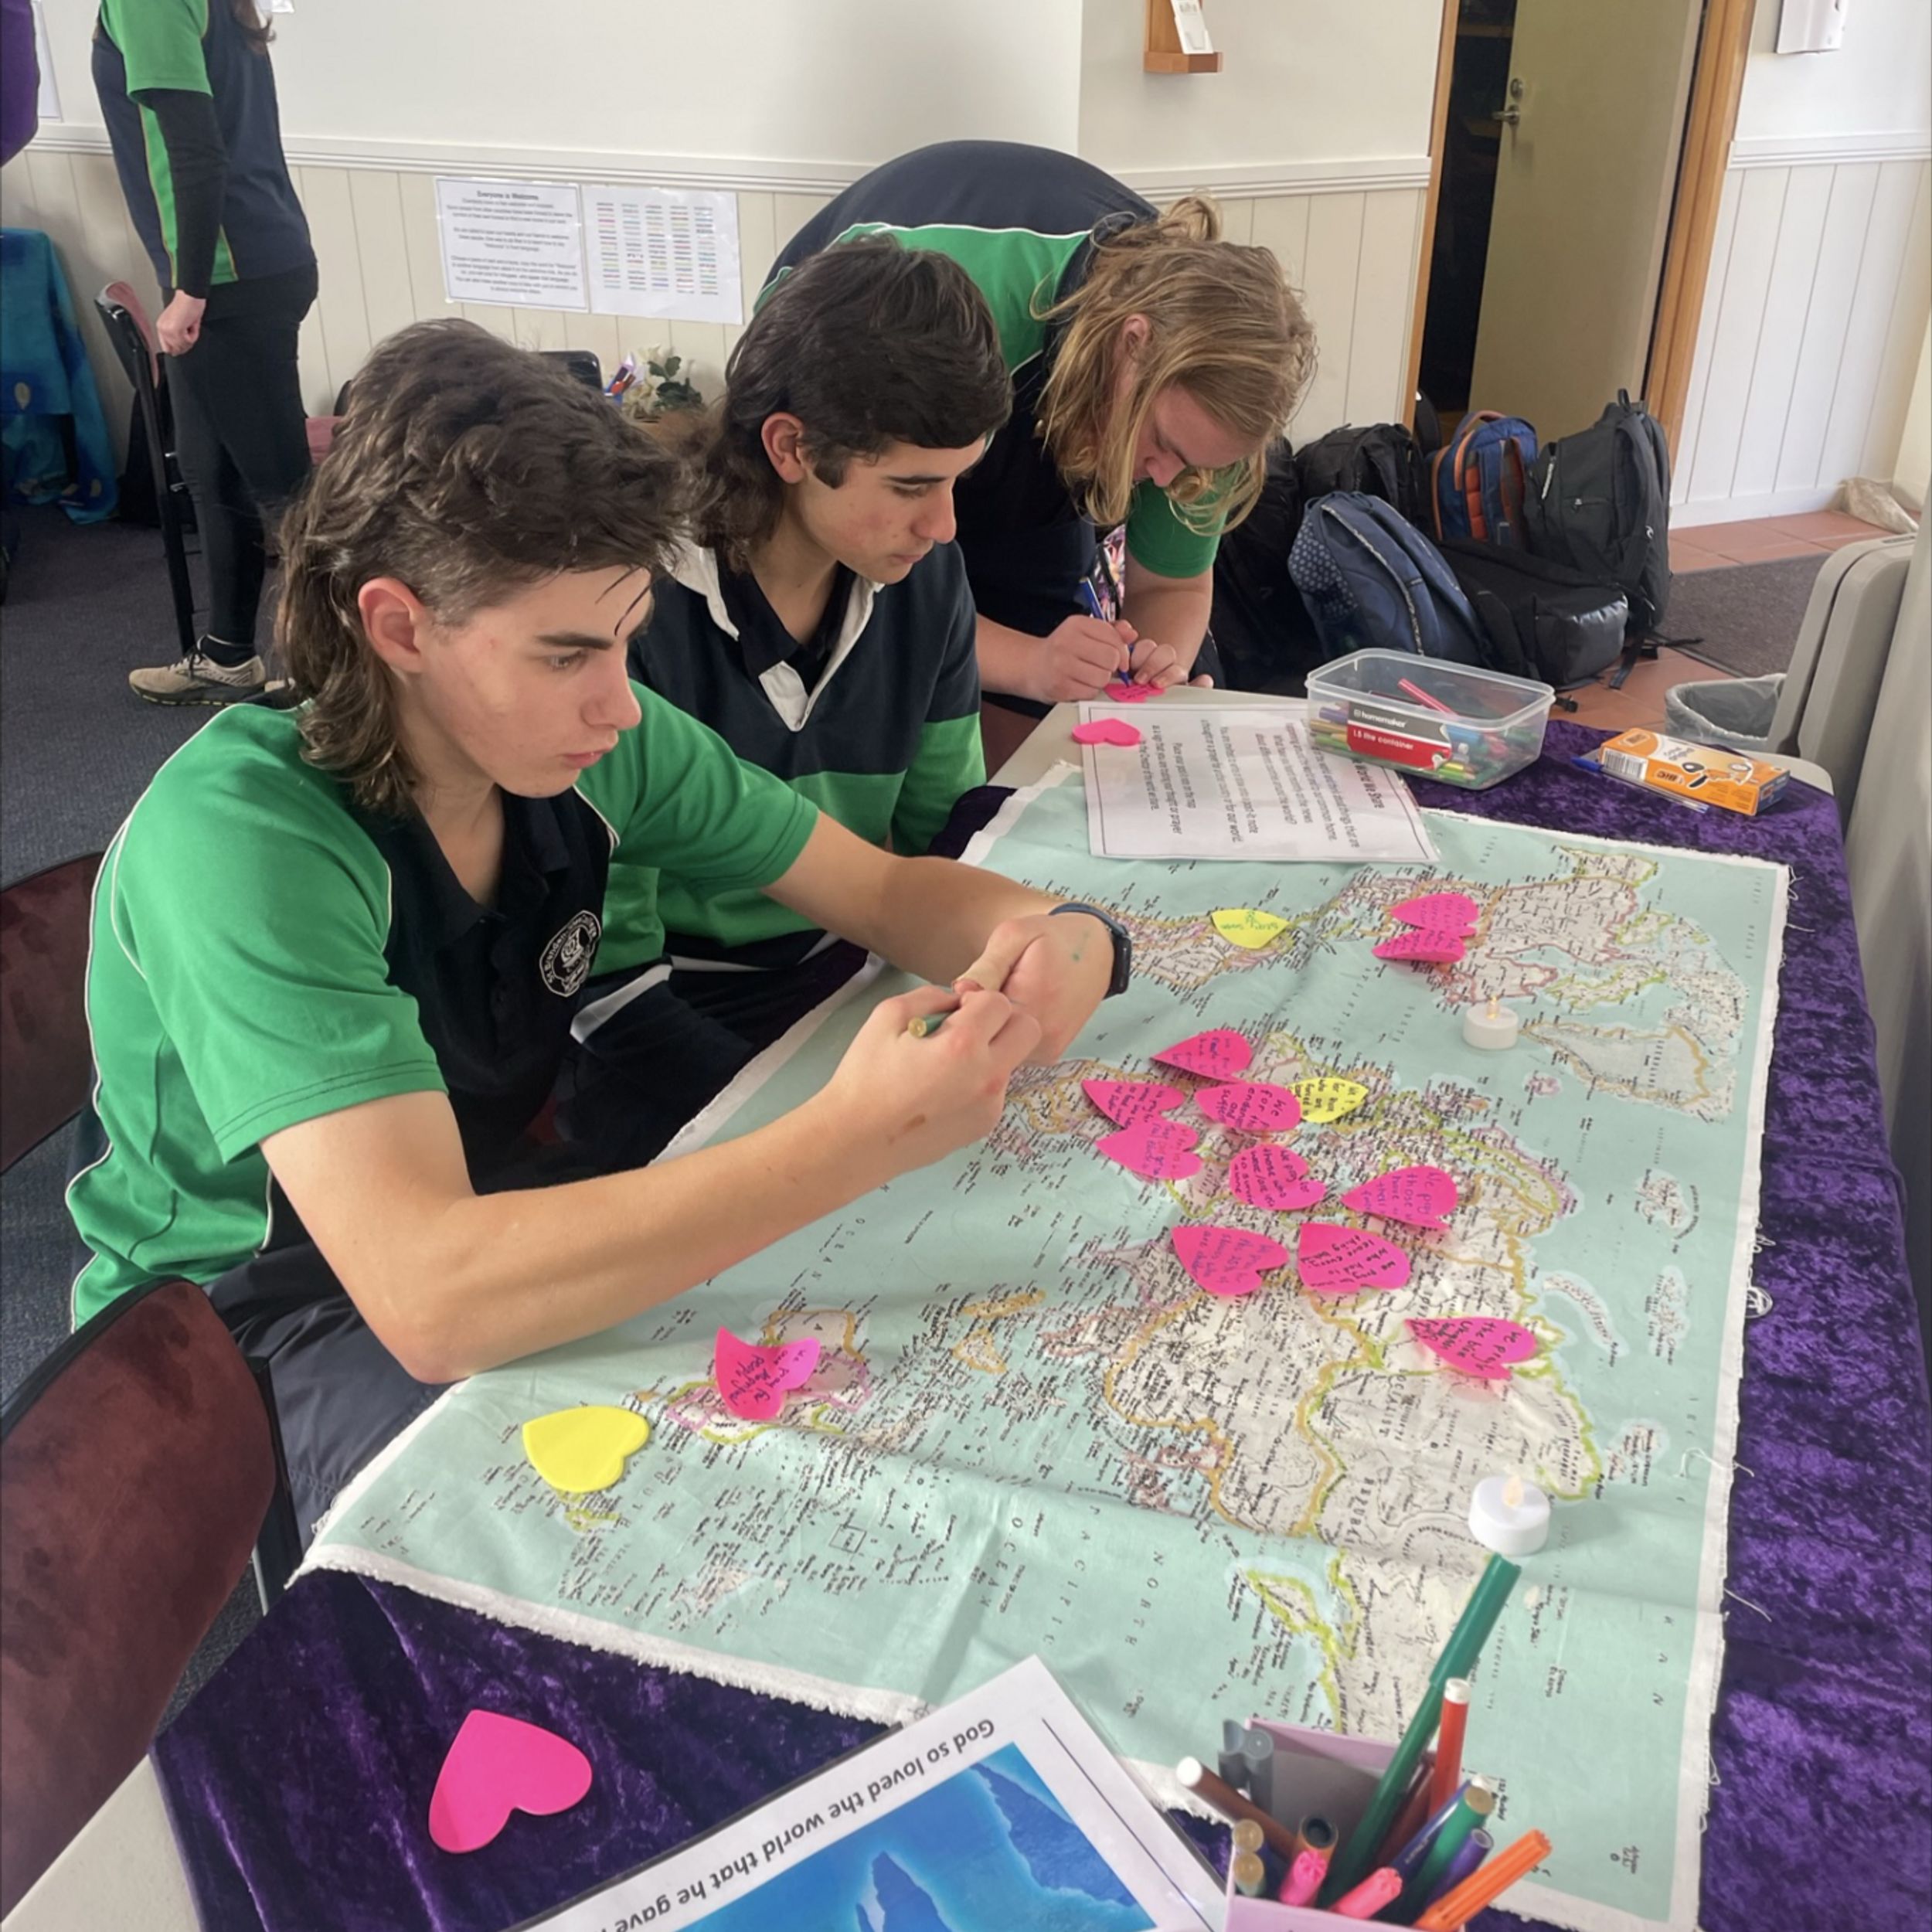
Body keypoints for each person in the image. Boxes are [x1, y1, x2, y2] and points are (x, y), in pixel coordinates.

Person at [68, 321, 1128, 1537]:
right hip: (240, 1315)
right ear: (399, 628)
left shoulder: (588, 742)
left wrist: (1067, 935)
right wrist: (853, 1137)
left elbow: (884, 894)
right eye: (568, 654)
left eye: (627, 640)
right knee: (655, 1516)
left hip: (475, 1203)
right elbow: (428, 1298)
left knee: (849, 1369)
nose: (622, 704)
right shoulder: (246, 837)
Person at [597, 236, 1008, 1052]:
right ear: (791, 447)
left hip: (849, 972)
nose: (944, 525)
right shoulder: (624, 601)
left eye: (957, 481)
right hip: (661, 1004)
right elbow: (608, 969)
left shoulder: (927, 581)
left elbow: (946, 836)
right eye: (911, 486)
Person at [767, 140, 1318, 736]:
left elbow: (1173, 584)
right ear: (1132, 346)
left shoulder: (1214, 420)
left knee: (1046, 704)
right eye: (1161, 443)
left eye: (1192, 466)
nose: (1165, 478)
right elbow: (861, 584)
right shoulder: (971, 320)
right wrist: (1029, 664)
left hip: (1044, 403)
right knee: (902, 687)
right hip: (853, 367)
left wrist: (1146, 678)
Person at [93, 0, 317, 704]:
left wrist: (191, 287)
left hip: (227, 278)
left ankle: (352, 676)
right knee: (210, 471)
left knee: (288, 495)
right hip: (238, 266)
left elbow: (193, 148)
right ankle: (227, 656)